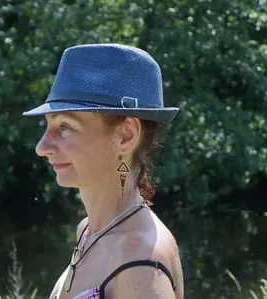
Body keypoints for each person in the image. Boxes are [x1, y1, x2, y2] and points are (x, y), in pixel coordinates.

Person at [23, 43, 184, 299]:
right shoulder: (88, 230)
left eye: (65, 127)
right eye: (48, 127)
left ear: (126, 136)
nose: (42, 147)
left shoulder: (140, 260)